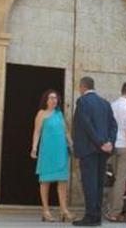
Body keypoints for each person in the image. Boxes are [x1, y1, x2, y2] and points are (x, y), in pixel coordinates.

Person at [72, 76, 116, 227]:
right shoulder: (105, 103)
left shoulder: (83, 102)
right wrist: (109, 142)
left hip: (89, 149)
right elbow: (113, 125)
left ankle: (90, 216)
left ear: (82, 87)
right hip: (103, 151)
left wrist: (100, 143)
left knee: (89, 183)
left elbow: (86, 125)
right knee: (98, 183)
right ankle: (97, 216)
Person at [31, 89, 74, 223]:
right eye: (51, 98)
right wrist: (34, 148)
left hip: (60, 150)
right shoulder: (41, 114)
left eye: (55, 98)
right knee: (45, 181)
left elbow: (66, 132)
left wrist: (72, 144)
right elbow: (37, 132)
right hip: (47, 151)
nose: (53, 100)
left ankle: (64, 210)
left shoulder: (60, 114)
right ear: (46, 100)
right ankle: (46, 211)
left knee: (62, 181)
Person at [106, 81, 126, 222]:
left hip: (113, 146)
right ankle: (115, 212)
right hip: (124, 146)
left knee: (114, 179)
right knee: (121, 180)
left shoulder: (112, 106)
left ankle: (109, 208)